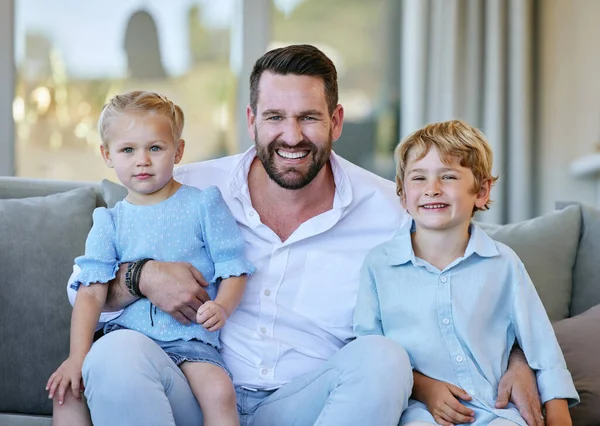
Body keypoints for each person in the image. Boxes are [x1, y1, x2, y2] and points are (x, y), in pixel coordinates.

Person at [58, 45, 545, 426]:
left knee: (383, 359)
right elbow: (85, 291)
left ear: (335, 120)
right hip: (192, 391)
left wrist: (515, 359)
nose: (291, 135)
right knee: (115, 354)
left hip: (311, 404)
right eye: (274, 117)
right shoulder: (185, 188)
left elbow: (461, 282)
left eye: (308, 117)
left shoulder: (390, 208)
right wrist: (142, 275)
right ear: (252, 121)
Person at [48, 91, 254, 426]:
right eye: (128, 150)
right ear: (107, 154)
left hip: (190, 342)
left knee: (219, 392)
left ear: (178, 151)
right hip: (125, 340)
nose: (142, 160)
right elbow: (90, 292)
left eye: (155, 148)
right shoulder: (110, 221)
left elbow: (234, 267)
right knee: (67, 393)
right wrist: (76, 357)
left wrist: (223, 306)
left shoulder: (203, 205)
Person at [354, 120, 579, 426]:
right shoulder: (379, 265)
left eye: (448, 176)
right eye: (418, 178)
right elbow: (369, 351)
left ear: (482, 191)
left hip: (495, 410)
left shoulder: (504, 264)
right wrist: (423, 388)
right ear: (403, 195)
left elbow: (542, 349)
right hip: (418, 411)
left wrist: (558, 415)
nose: (432, 189)